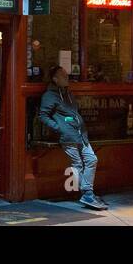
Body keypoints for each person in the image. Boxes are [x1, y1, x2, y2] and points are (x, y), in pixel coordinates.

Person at [38, 66, 108, 209]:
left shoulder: (68, 94)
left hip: (81, 133)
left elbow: (73, 113)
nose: (67, 77)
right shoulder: (49, 96)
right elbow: (43, 116)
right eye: (63, 76)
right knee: (77, 165)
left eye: (66, 75)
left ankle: (87, 193)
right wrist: (59, 128)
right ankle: (88, 194)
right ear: (55, 79)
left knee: (92, 159)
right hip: (68, 136)